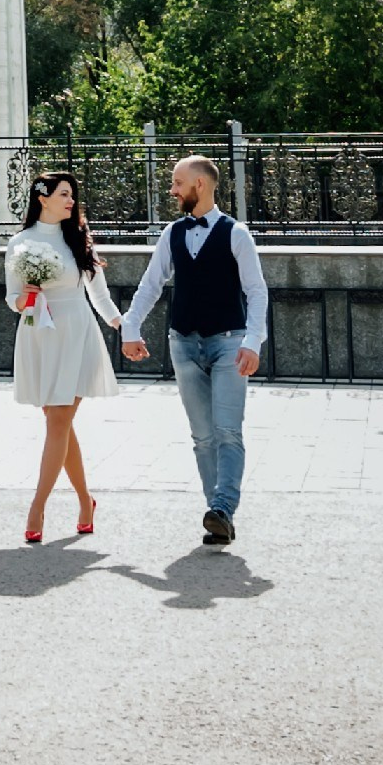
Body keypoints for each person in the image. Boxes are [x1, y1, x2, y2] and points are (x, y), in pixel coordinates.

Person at [120, 154, 269, 546]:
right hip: (182, 343)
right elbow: (150, 285)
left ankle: (222, 508)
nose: (172, 190)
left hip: (229, 343)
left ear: (199, 185)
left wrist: (253, 341)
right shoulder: (172, 233)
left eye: (177, 183)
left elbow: (256, 291)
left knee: (227, 432)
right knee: (202, 436)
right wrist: (130, 327)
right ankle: (216, 513)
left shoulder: (236, 233)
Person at [5, 171, 122, 544]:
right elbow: (12, 300)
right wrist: (26, 295)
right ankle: (86, 502)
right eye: (64, 194)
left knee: (58, 421)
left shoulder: (78, 240)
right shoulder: (20, 242)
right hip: (39, 332)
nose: (71, 201)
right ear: (43, 198)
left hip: (75, 333)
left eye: (72, 195)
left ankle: (37, 506)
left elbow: (100, 296)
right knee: (61, 425)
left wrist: (124, 327)